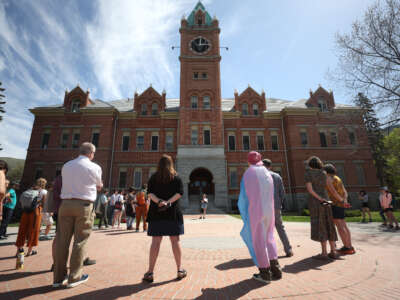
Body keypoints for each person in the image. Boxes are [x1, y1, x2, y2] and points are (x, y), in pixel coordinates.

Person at [53, 142, 103, 288]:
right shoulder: (95, 167)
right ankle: (74, 277)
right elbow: (99, 185)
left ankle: (57, 278)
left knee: (62, 241)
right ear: (91, 153)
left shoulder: (67, 165)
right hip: (84, 205)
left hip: (65, 205)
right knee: (80, 241)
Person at [238, 152, 281, 284]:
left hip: (256, 211)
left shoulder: (248, 173)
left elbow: (243, 198)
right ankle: (276, 269)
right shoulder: (267, 173)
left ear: (248, 161)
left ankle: (264, 273)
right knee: (270, 237)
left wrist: (244, 214)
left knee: (258, 241)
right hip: (269, 210)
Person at [143, 154, 186, 283]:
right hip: (172, 213)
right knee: (175, 241)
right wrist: (168, 202)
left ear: (159, 165)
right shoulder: (176, 177)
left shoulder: (154, 177)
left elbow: (150, 193)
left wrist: (160, 201)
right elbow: (179, 193)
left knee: (156, 242)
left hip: (157, 213)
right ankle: (179, 270)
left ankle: (150, 272)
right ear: (171, 164)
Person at [304, 156, 339, 260]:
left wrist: (320, 199)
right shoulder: (324, 173)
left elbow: (310, 190)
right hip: (326, 200)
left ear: (310, 164)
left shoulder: (308, 174)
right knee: (329, 223)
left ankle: (324, 253)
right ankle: (333, 251)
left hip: (316, 202)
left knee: (320, 224)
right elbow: (331, 188)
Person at [262, 159, 293, 257]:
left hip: (264, 207)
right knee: (280, 227)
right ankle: (288, 250)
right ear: (270, 166)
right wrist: (281, 203)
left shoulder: (260, 177)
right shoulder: (277, 176)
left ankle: (266, 252)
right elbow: (282, 192)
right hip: (276, 206)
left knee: (265, 229)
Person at [324, 164, 355, 255]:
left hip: (335, 204)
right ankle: (350, 246)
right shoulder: (338, 178)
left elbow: (333, 192)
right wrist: (344, 200)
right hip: (340, 204)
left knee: (340, 226)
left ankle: (347, 247)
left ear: (326, 171)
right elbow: (345, 191)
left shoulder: (328, 179)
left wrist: (341, 201)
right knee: (344, 225)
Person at [15, 178, 47, 256]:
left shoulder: (30, 189)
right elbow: (44, 204)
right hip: (36, 212)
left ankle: (19, 251)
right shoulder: (44, 192)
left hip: (26, 211)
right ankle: (29, 251)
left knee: (22, 230)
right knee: (33, 231)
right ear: (44, 184)